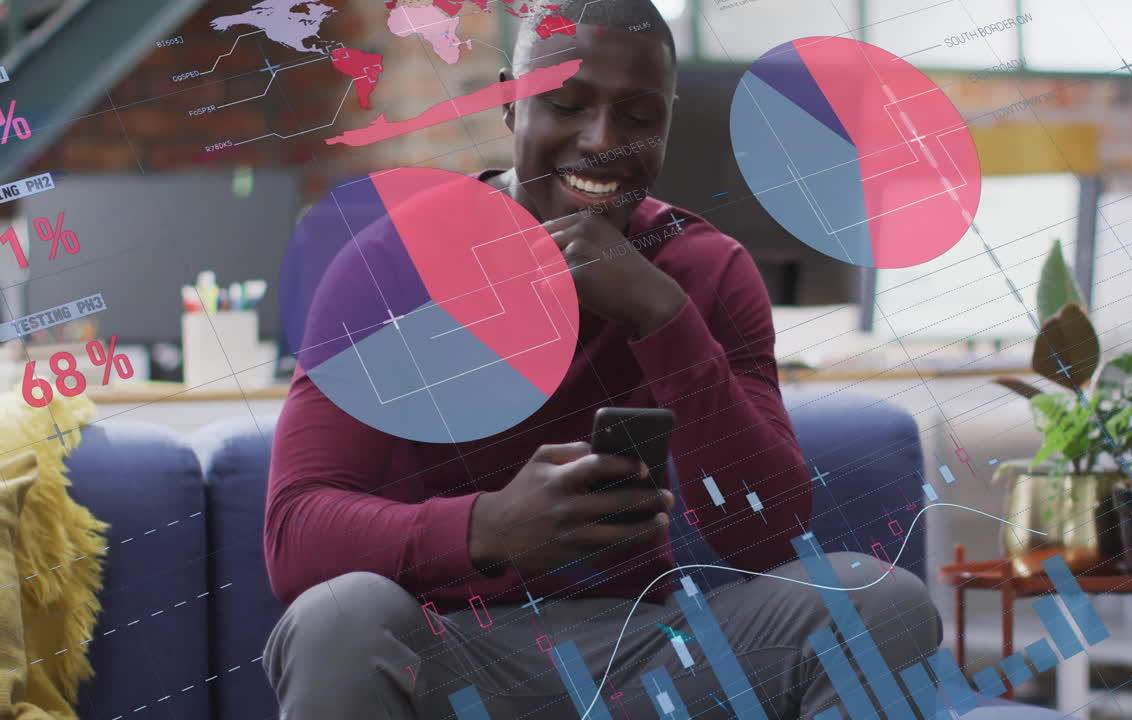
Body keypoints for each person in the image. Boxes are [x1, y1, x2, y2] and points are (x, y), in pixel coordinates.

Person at [262, 2, 944, 718]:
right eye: (565, 104)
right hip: (448, 652)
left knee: (879, 603)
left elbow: (766, 534)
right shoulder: (392, 268)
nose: (602, 142)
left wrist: (665, 316)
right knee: (340, 613)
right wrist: (489, 526)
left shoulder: (705, 270)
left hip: (644, 655)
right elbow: (295, 532)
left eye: (640, 118)